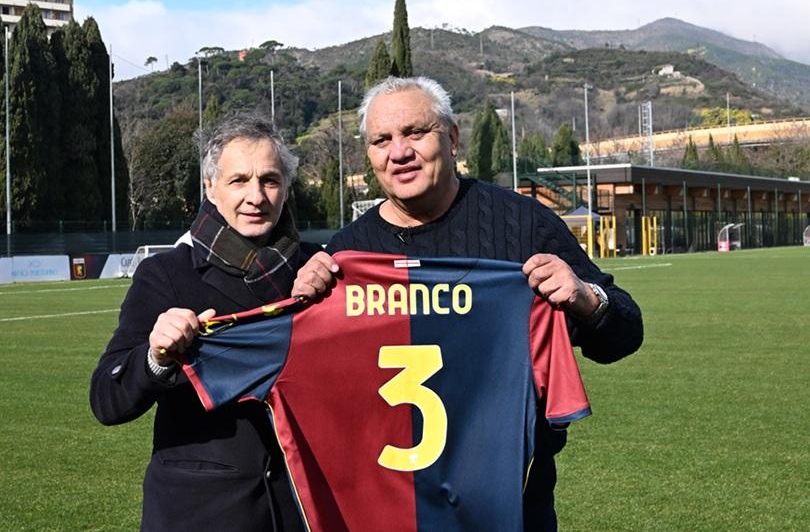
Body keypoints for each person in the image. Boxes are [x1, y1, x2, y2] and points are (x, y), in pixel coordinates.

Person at [292, 76, 644, 530]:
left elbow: (625, 334)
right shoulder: (343, 257)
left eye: (415, 133)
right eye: (382, 140)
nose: (399, 152)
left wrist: (585, 297)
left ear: (453, 137)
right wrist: (305, 305)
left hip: (508, 506)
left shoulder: (522, 226)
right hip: (386, 509)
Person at [90, 112, 320, 532]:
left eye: (269, 180)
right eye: (239, 181)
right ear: (210, 188)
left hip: (302, 511)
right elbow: (107, 399)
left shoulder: (319, 269)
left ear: (286, 187)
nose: (256, 196)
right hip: (198, 514)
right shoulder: (167, 274)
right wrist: (156, 358)